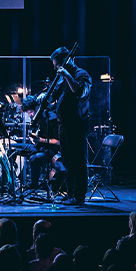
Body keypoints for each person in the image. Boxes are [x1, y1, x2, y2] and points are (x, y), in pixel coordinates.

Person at [46, 46, 91, 205]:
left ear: (68, 60)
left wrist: (66, 75)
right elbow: (55, 96)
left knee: (77, 161)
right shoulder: (62, 78)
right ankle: (70, 193)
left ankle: (79, 196)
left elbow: (80, 92)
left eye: (57, 64)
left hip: (76, 126)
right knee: (67, 161)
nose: (55, 68)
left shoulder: (81, 74)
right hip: (63, 126)